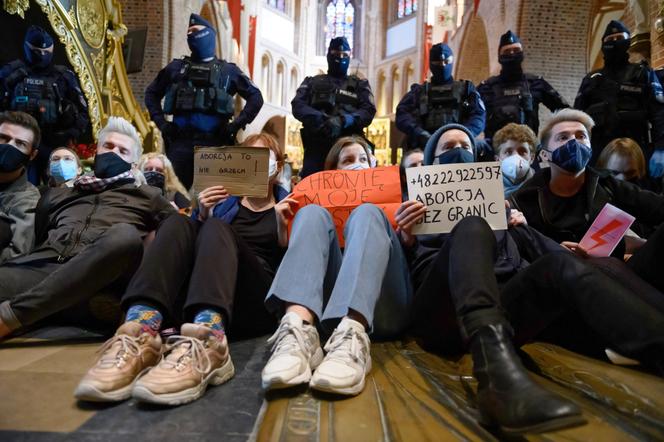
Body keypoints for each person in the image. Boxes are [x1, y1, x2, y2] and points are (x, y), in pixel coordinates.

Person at [402, 123, 664, 434]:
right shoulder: (414, 211)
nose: (458, 151)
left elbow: (564, 264)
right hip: (444, 312)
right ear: (432, 165)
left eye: (465, 146)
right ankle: (495, 379)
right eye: (448, 147)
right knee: (473, 225)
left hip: (504, 311)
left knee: (555, 263)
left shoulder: (503, 207)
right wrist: (406, 239)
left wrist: (523, 229)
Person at [75, 132, 287, 405]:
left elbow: (296, 268)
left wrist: (285, 228)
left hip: (256, 300)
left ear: (278, 165)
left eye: (265, 156)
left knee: (217, 228)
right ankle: (140, 330)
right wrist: (204, 214)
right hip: (212, 290)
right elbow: (198, 251)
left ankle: (210, 339)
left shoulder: (289, 203)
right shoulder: (225, 203)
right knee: (177, 222)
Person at [261, 135, 412, 396]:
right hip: (329, 319)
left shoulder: (395, 204)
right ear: (333, 174)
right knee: (310, 213)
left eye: (363, 160)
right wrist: (282, 231)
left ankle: (354, 335)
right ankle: (298, 332)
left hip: (383, 310)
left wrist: (407, 235)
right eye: (348, 161)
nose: (357, 165)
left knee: (367, 212)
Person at [0, 116, 175, 340]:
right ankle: (62, 309)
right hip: (48, 267)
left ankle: (11, 317)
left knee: (124, 236)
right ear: (97, 151)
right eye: (108, 146)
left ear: (133, 163)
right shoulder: (59, 194)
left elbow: (175, 236)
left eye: (122, 151)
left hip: (103, 272)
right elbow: (41, 233)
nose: (113, 153)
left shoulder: (148, 196)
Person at [145, 14, 263, 189]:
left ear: (209, 34)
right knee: (175, 196)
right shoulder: (176, 68)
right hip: (180, 145)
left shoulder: (228, 71)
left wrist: (237, 124)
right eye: (188, 32)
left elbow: (256, 97)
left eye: (195, 31)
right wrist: (162, 123)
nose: (190, 35)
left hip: (215, 146)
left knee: (213, 198)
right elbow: (151, 93)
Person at [0, 25, 89, 184]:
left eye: (45, 51)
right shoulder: (11, 73)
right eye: (37, 51)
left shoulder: (63, 76)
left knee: (61, 188)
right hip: (18, 145)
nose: (41, 55)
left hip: (54, 143)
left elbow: (83, 110)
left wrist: (70, 133)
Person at [574, 20, 664, 172]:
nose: (615, 42)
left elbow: (659, 112)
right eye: (610, 40)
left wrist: (661, 148)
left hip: (636, 149)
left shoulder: (643, 74)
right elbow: (577, 117)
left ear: (628, 40)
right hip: (598, 152)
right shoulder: (592, 79)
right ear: (603, 45)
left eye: (619, 38)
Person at [292, 37, 376, 177]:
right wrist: (321, 119)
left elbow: (368, 110)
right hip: (318, 146)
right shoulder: (311, 82)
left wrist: (344, 121)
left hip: (349, 147)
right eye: (336, 54)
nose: (340, 58)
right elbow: (298, 105)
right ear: (329, 56)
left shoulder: (360, 85)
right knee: (313, 189)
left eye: (345, 55)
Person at [478, 30, 568, 141]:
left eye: (516, 50)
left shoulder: (536, 83)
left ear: (522, 53)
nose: (512, 54)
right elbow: (470, 115)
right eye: (507, 51)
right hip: (494, 149)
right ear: (499, 57)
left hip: (528, 147)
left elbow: (565, 111)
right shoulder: (486, 87)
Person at [396, 43, 485, 150]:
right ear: (431, 64)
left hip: (458, 147)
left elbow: (479, 115)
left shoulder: (466, 89)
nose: (443, 65)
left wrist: (464, 134)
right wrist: (419, 133)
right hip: (425, 147)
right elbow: (402, 114)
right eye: (438, 62)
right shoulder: (418, 92)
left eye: (446, 62)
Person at [0, 111, 40, 263]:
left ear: (32, 155)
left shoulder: (27, 200)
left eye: (20, 144)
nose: (9, 146)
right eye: (3, 138)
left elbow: (16, 254)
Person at [492, 123, 537, 197]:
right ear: (497, 160)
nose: (516, 157)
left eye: (522, 152)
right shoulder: (485, 190)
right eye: (508, 152)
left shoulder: (541, 188)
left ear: (532, 158)